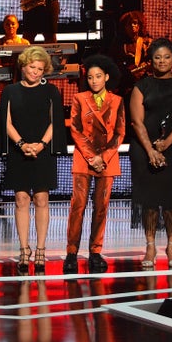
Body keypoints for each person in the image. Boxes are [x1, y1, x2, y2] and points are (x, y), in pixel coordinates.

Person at [0, 46, 66, 273]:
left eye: (40, 69)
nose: (35, 72)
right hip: (19, 151)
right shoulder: (10, 91)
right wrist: (22, 145)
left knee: (42, 199)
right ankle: (24, 249)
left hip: (42, 150)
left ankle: (41, 249)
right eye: (32, 67)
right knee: (21, 199)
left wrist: (42, 144)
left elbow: (56, 122)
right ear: (23, 66)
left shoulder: (52, 91)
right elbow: (5, 123)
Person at [129, 38, 172, 269]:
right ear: (151, 60)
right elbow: (136, 122)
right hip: (143, 149)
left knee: (169, 198)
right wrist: (151, 150)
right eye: (157, 57)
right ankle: (150, 245)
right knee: (149, 199)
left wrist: (166, 144)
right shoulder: (141, 86)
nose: (162, 61)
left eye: (166, 57)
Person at [63, 55, 125, 274]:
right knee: (77, 206)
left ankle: (95, 252)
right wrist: (92, 157)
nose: (94, 81)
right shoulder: (80, 98)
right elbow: (75, 130)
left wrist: (104, 157)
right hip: (84, 157)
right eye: (90, 77)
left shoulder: (117, 101)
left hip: (107, 160)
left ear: (106, 77)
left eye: (98, 76)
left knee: (101, 208)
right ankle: (71, 253)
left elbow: (120, 132)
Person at [112, 10, 152, 97]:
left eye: (135, 23)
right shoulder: (119, 44)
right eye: (128, 24)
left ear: (140, 25)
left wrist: (146, 67)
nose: (132, 26)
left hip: (143, 85)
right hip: (124, 86)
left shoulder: (146, 43)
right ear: (124, 27)